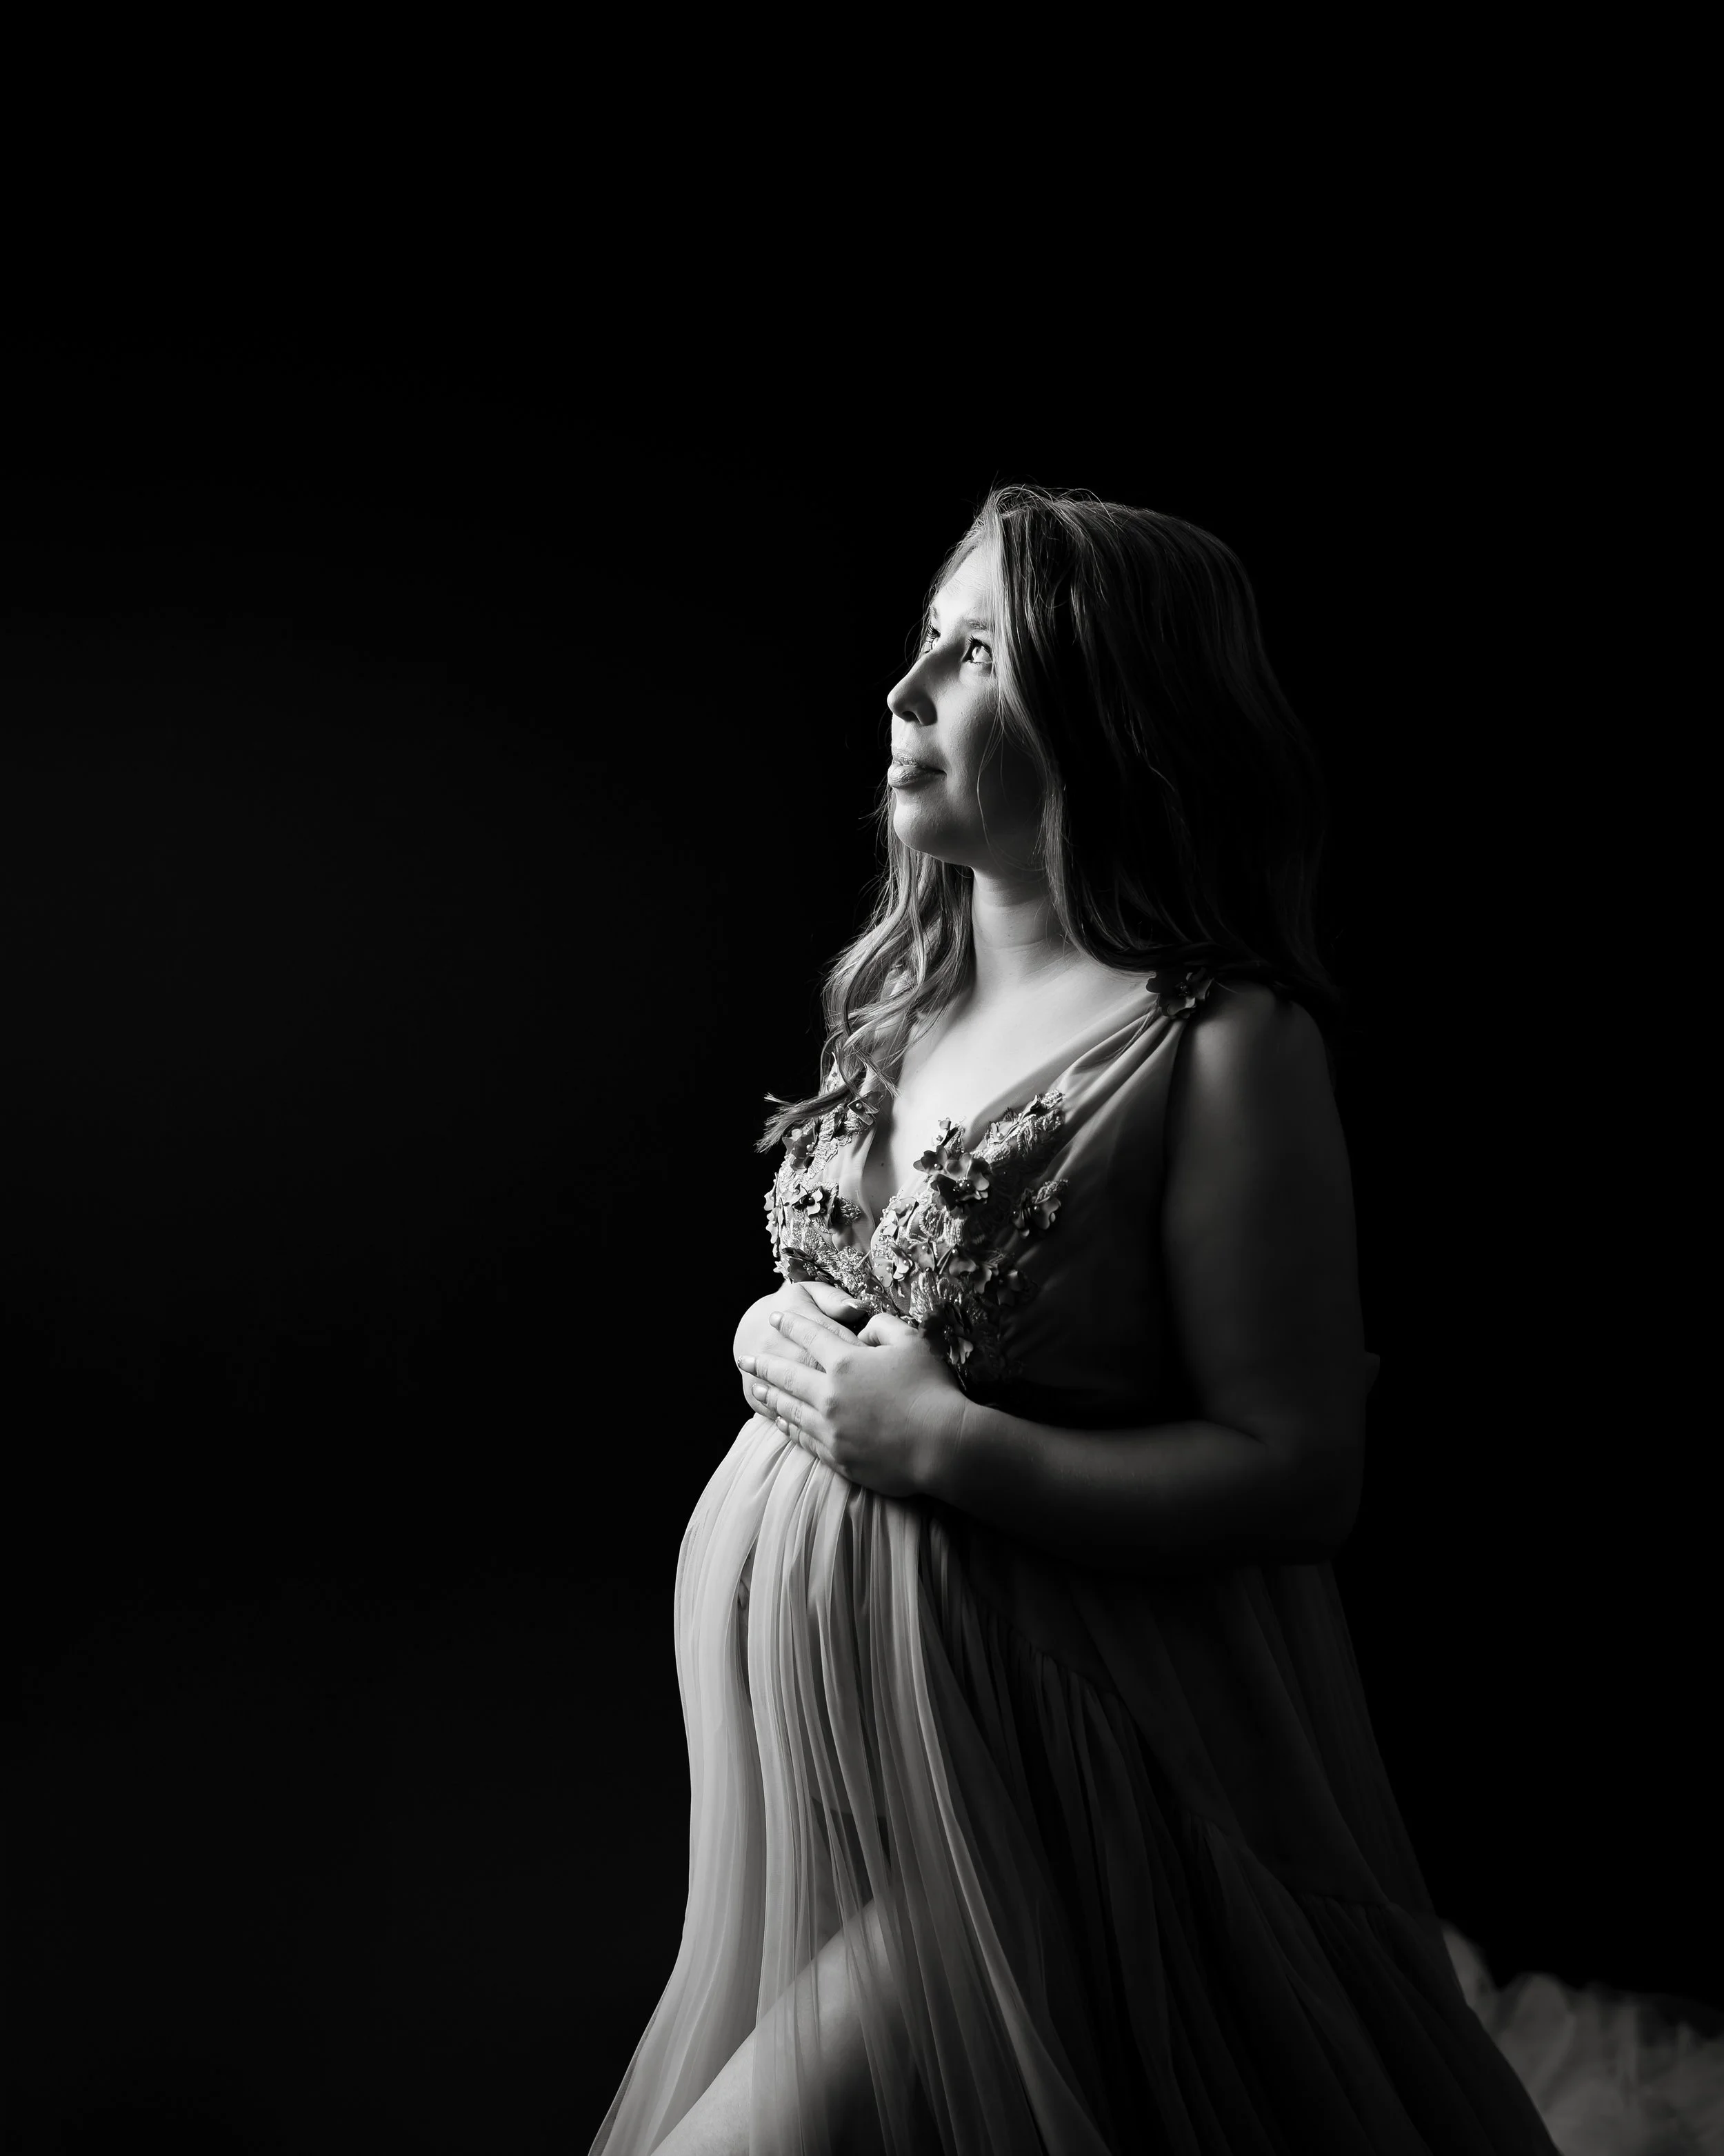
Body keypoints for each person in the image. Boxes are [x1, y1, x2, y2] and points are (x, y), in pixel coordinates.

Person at [590, 488, 1718, 2154]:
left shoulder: (1218, 1045)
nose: (902, 694)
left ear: (1116, 715)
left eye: (969, 655)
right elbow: (895, 1297)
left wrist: (946, 1448)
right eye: (918, 646)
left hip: (1067, 1815)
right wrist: (774, 1342)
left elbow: (1295, 1472)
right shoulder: (904, 999)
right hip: (880, 1818)